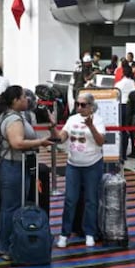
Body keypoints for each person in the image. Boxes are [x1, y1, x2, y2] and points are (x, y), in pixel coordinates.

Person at [0, 86, 60, 261]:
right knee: (12, 206)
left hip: (18, 165)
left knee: (11, 205)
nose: (27, 100)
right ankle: (7, 245)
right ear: (15, 100)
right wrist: (40, 142)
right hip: (13, 165)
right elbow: (17, 143)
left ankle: (7, 242)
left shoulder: (19, 116)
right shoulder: (13, 119)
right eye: (24, 97)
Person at [58, 92, 107, 249]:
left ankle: (90, 233)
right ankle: (64, 233)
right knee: (70, 199)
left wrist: (91, 126)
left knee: (91, 200)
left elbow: (100, 142)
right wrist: (53, 128)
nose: (79, 107)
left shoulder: (98, 120)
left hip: (92, 163)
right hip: (73, 164)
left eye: (83, 105)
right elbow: (62, 137)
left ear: (91, 106)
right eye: (77, 104)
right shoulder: (72, 119)